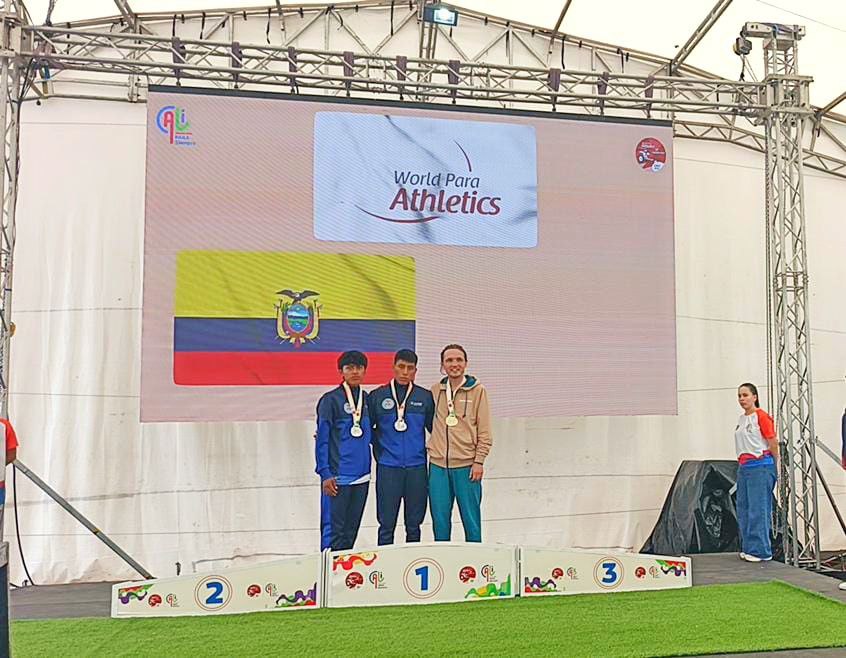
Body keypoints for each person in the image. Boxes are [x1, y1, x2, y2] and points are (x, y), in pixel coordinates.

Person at [368, 349, 434, 545]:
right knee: (386, 524)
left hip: (416, 468)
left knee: (414, 525)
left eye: (410, 368)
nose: (405, 372)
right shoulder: (377, 396)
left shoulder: (425, 396)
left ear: (415, 370)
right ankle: (385, 563)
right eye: (401, 367)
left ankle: (411, 561)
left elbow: (436, 430)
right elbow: (365, 429)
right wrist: (381, 452)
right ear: (394, 367)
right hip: (388, 468)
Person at [428, 344, 492, 542]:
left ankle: (474, 559)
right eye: (449, 360)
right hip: (438, 466)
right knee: (440, 522)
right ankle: (442, 559)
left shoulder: (478, 391)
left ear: (466, 363)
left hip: (467, 466)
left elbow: (485, 430)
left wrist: (479, 461)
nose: (454, 364)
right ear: (442, 365)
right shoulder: (435, 391)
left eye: (458, 360)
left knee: (471, 521)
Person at [315, 351, 372, 551]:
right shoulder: (330, 400)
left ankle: (345, 571)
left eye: (359, 368)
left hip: (362, 477)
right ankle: (327, 571)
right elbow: (322, 439)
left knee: (351, 532)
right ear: (341, 371)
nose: (355, 372)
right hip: (338, 478)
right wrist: (325, 473)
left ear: (364, 371)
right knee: (333, 532)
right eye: (349, 368)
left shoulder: (367, 399)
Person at [734, 382, 779, 562]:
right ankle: (749, 547)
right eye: (739, 396)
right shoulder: (741, 419)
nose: (742, 399)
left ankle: (761, 551)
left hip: (760, 466)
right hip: (744, 467)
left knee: (758, 509)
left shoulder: (761, 416)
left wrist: (774, 463)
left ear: (755, 397)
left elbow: (772, 441)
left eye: (745, 395)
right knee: (744, 508)